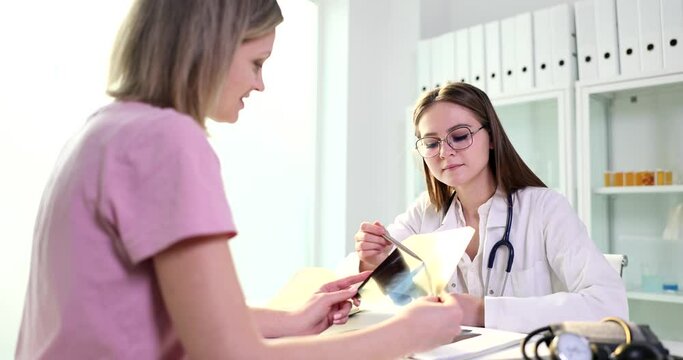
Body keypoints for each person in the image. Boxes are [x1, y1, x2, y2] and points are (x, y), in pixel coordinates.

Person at [15, 1, 464, 359]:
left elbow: (170, 315)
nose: (260, 84)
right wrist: (406, 334)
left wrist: (292, 319)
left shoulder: (107, 130)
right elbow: (229, 352)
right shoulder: (166, 140)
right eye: (256, 62)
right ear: (207, 47)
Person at [352, 82, 628, 333]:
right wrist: (374, 262)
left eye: (459, 136)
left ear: (492, 137)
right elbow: (399, 297)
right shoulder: (426, 211)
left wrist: (483, 311)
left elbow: (609, 306)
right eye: (432, 143)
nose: (445, 152)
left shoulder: (545, 208)